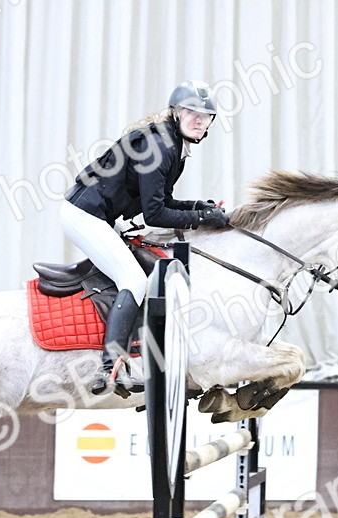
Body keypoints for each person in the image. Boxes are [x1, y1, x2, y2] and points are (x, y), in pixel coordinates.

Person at [62, 80, 229, 395]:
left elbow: (163, 202)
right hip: (84, 216)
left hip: (100, 216)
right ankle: (110, 365)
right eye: (190, 111)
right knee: (134, 280)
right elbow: (154, 216)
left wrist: (199, 208)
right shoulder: (161, 146)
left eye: (205, 116)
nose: (198, 119)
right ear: (174, 112)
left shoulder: (173, 145)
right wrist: (201, 218)